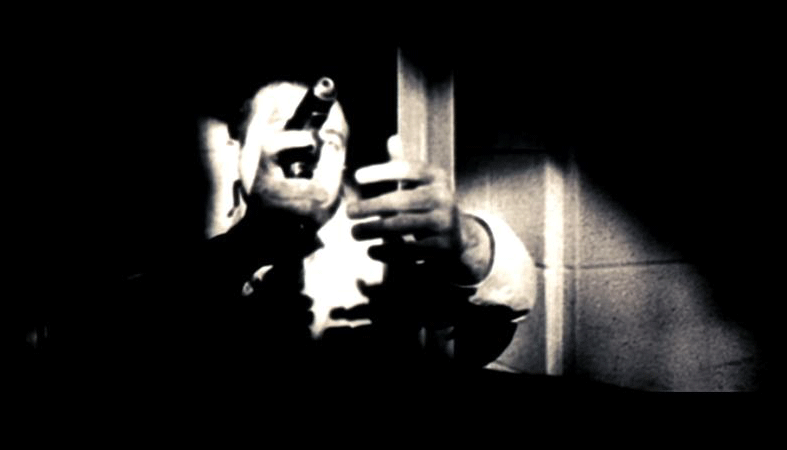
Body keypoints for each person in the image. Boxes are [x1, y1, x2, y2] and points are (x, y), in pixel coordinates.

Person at [122, 77, 537, 389]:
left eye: (332, 141)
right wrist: (245, 248)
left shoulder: (382, 256)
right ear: (240, 150)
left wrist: (470, 244)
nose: (310, 151)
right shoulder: (181, 247)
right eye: (285, 131)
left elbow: (492, 328)